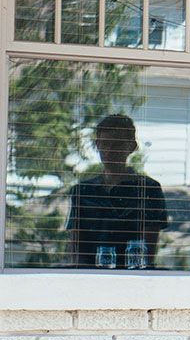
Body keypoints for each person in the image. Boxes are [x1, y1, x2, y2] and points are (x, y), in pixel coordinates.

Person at [66, 114, 168, 270]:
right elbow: (76, 249)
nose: (110, 151)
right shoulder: (83, 191)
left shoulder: (148, 189)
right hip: (88, 280)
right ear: (97, 145)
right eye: (105, 144)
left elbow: (147, 251)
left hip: (132, 279)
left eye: (118, 144)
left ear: (131, 147)